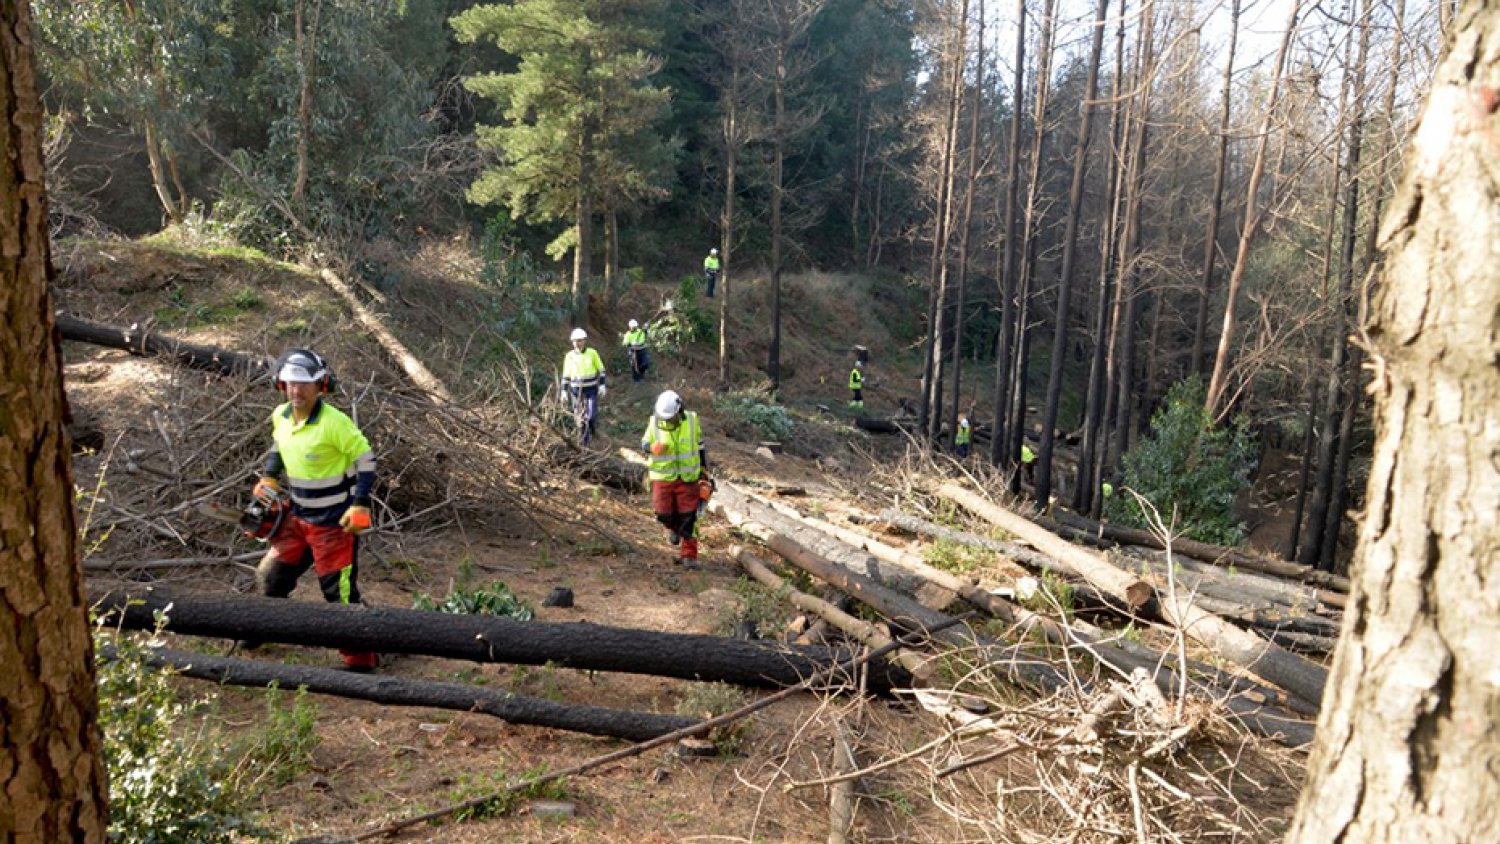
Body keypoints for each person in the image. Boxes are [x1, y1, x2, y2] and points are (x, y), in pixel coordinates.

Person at [252, 348, 379, 672]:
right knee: (272, 576)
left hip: (334, 524)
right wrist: (269, 476)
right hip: (297, 517)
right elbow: (279, 445)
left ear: (321, 386)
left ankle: (362, 659)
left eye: (305, 384)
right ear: (281, 385)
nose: (297, 391)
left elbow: (365, 460)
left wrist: (360, 503)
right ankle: (259, 628)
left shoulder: (335, 423)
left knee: (339, 592)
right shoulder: (280, 416)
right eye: (291, 384)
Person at [642, 390, 711, 568]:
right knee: (663, 513)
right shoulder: (654, 422)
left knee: (689, 517)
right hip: (663, 476)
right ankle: (673, 528)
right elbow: (644, 444)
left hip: (688, 477)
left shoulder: (692, 420)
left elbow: (700, 445)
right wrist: (651, 448)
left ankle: (689, 555)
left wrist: (704, 469)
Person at [561, 327, 607, 445]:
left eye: (580, 340)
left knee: (591, 415)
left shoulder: (592, 353)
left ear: (584, 341)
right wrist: (564, 392)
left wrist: (602, 385)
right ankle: (585, 443)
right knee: (580, 419)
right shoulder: (569, 356)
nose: (577, 343)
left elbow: (601, 370)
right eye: (575, 341)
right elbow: (566, 374)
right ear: (572, 342)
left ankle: (592, 429)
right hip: (576, 391)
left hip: (591, 389)